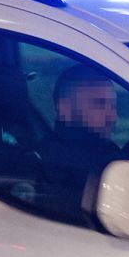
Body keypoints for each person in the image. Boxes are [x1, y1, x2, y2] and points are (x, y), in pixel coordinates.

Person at [36, 64, 123, 219]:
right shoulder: (55, 163)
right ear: (65, 109)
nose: (112, 116)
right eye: (99, 104)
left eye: (113, 106)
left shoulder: (104, 150)